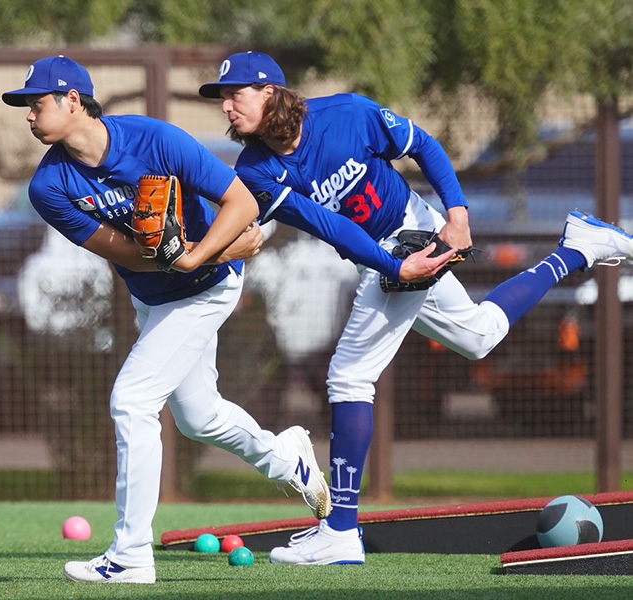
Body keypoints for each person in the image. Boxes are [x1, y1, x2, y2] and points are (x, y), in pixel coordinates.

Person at [198, 51, 633, 566]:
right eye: (221, 97)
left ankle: (340, 530)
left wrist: (458, 213)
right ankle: (578, 249)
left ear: (269, 91)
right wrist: (389, 266)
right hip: (388, 257)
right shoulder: (255, 169)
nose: (226, 106)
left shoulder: (347, 113)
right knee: (477, 337)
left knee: (349, 378)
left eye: (235, 93)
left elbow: (422, 145)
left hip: (413, 232)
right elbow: (328, 227)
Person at [1, 55, 370, 584]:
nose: (29, 116)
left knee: (131, 401)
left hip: (208, 289)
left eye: (36, 104)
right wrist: (193, 252)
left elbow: (240, 202)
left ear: (73, 102)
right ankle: (288, 460)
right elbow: (124, 253)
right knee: (200, 418)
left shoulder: (153, 140)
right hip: (155, 295)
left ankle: (130, 555)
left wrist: (200, 257)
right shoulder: (49, 187)